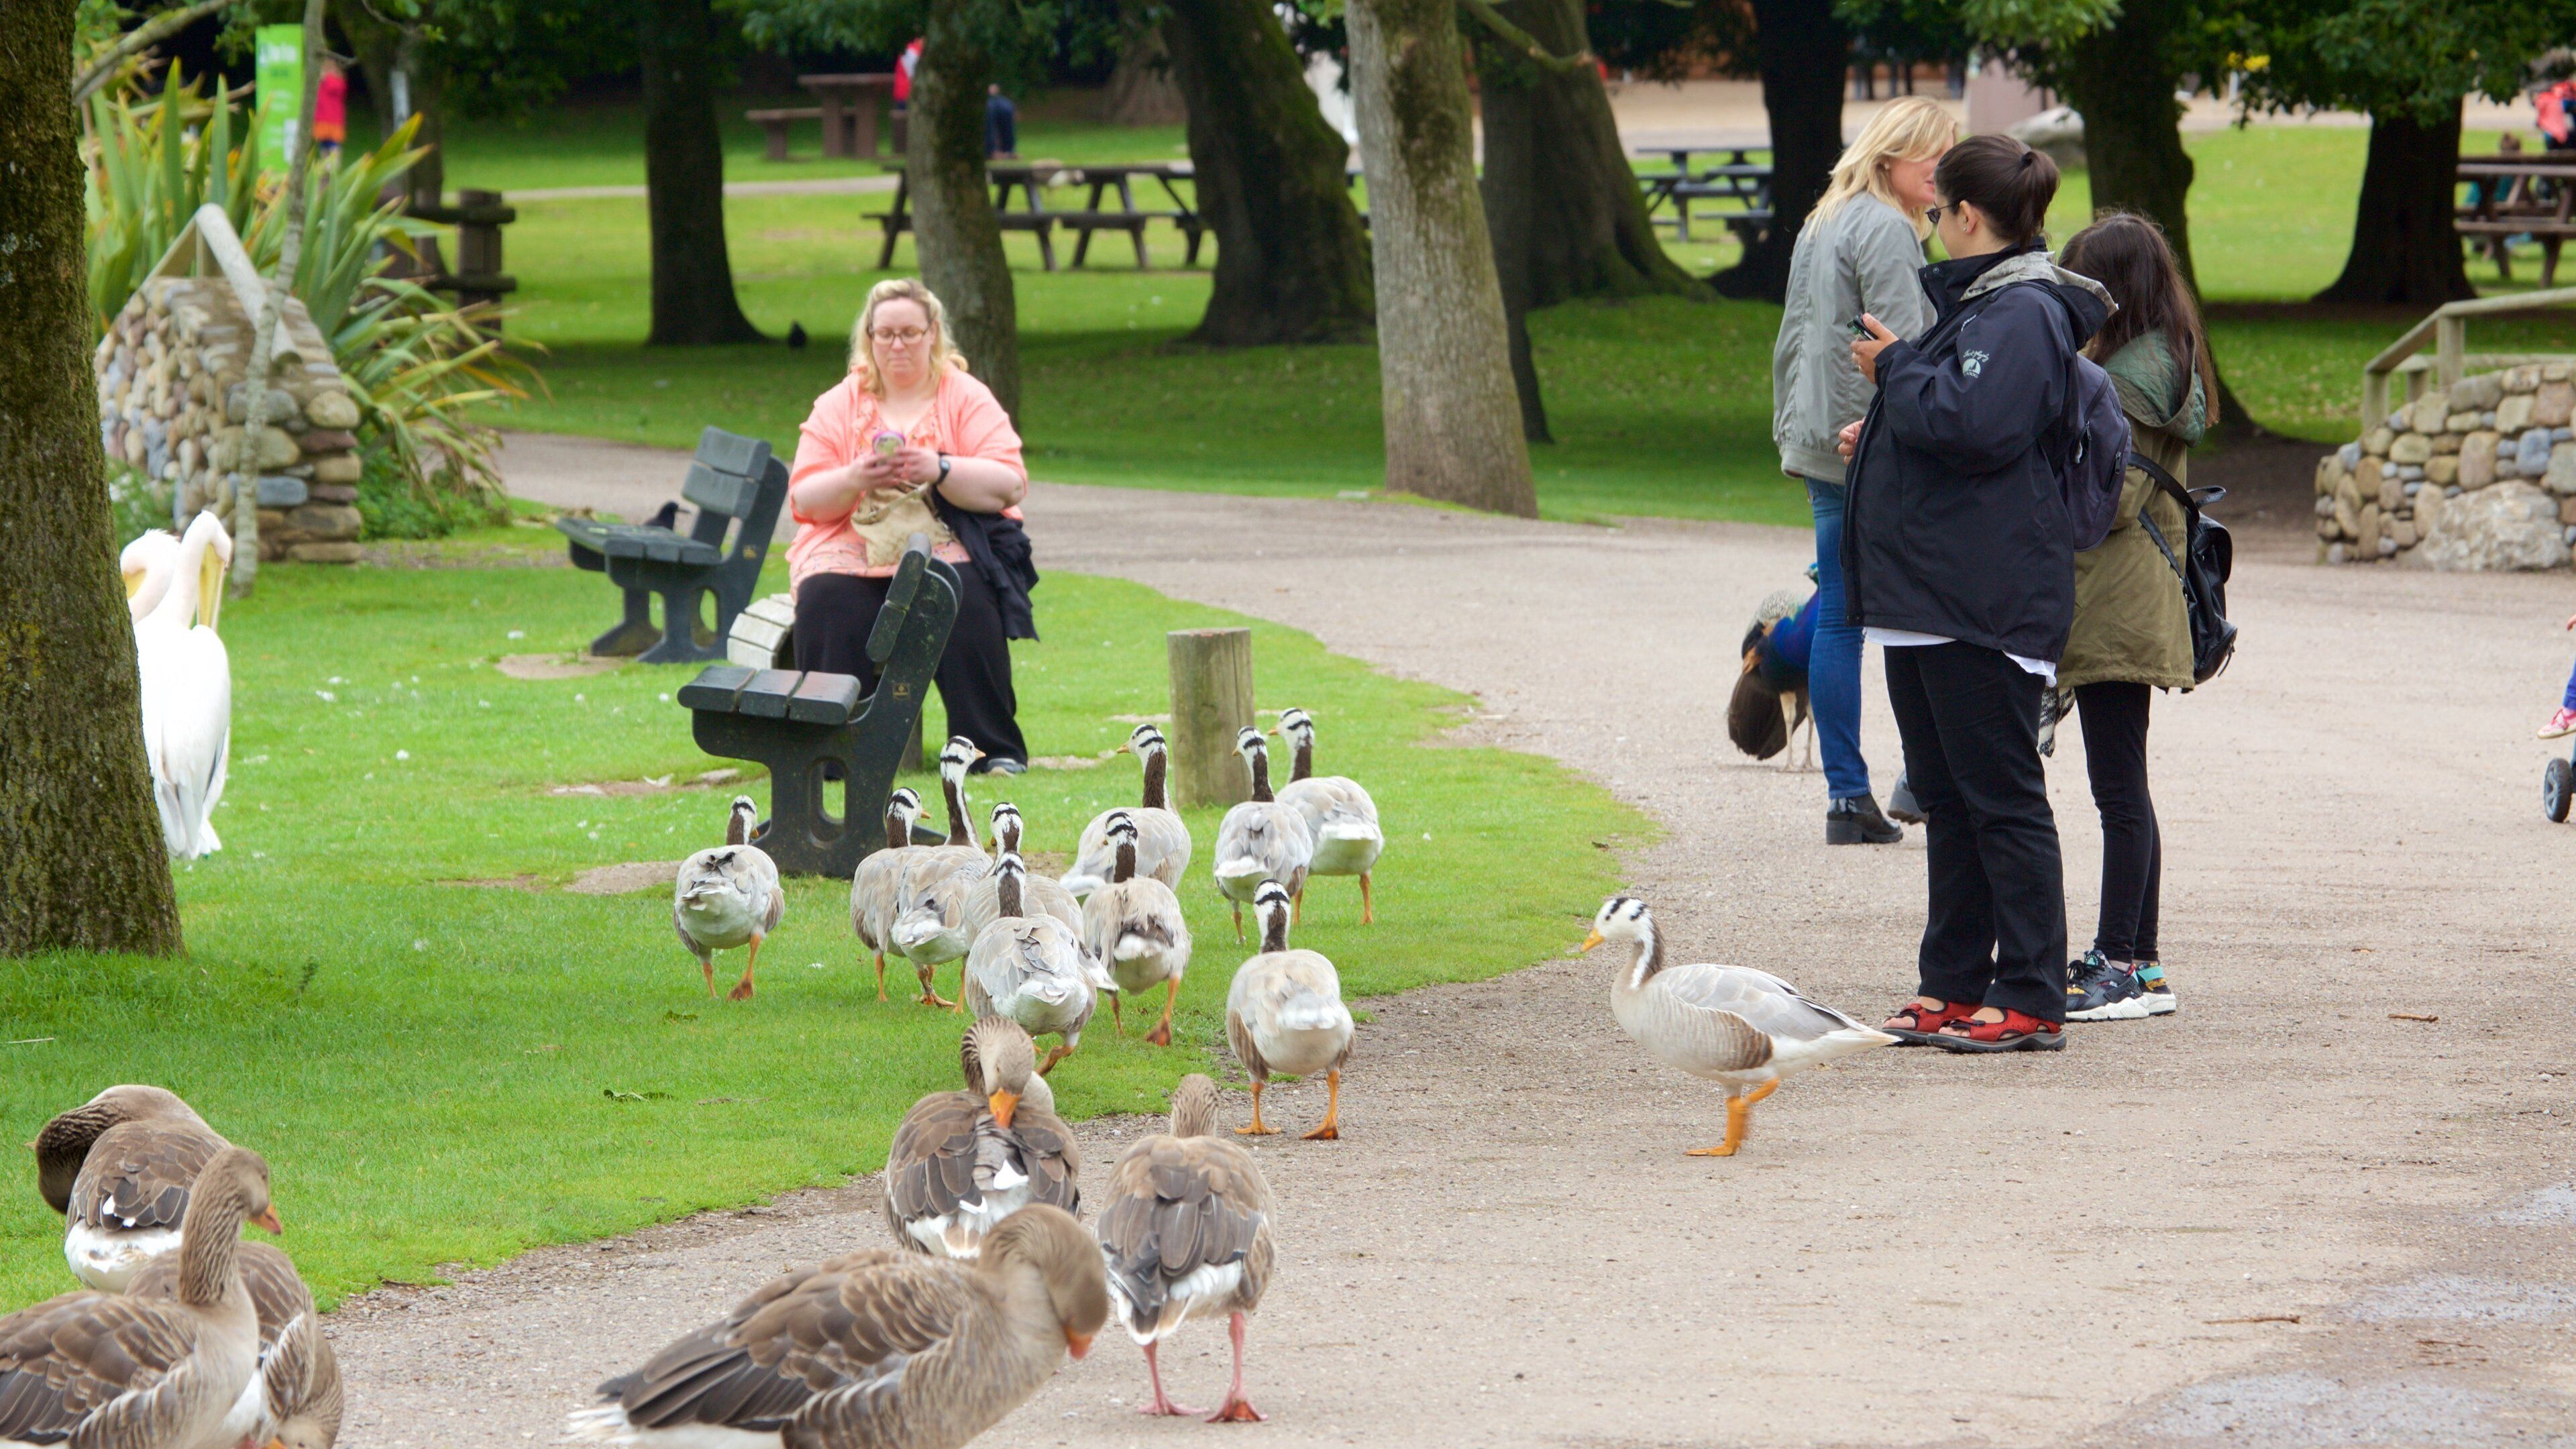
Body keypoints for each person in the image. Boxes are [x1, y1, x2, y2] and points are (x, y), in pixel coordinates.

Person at [1841, 133, 2111, 1053]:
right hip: (1928, 602)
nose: (1928, 225)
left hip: (1982, 603)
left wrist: (1896, 376)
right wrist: (1883, 421)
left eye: (1935, 210)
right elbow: (1956, 422)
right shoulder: (1982, 308)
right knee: (1949, 801)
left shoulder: (2023, 309)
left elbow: (1979, 424)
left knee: (2000, 799)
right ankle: (1951, 983)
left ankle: (2031, 994)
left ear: (1966, 215)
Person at [1770, 95, 1957, 847]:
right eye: (1933, 159)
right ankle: (1910, 780)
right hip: (1867, 443)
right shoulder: (1883, 226)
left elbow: (1797, 336)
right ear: (1892, 160)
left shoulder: (1826, 218)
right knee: (1914, 609)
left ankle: (1852, 795)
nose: (1945, 174)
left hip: (1821, 435)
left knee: (1843, 609)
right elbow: (1903, 349)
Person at [2051, 213, 2212, 1022]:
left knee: (2117, 789)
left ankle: (2117, 959)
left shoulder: (2126, 381)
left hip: (2118, 600)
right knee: (2128, 787)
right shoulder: (2167, 358)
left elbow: (2111, 502)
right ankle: (2141, 962)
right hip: (2137, 594)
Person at [788, 277, 1036, 773]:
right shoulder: (841, 402)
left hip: (941, 540)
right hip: (852, 541)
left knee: (960, 592)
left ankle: (988, 751)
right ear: (869, 338)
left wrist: (939, 468)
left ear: (932, 334)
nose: (897, 345)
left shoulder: (965, 395)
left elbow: (1009, 483)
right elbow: (804, 498)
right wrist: (855, 476)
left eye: (909, 333)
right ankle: (831, 755)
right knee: (826, 598)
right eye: (885, 335)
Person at [312, 56, 347, 161]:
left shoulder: (338, 81)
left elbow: (335, 88)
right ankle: (325, 171)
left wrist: (326, 78)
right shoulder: (321, 82)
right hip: (321, 119)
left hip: (333, 121)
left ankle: (333, 169)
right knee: (323, 146)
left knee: (334, 146)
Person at [984, 85, 1018, 160]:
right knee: (989, 109)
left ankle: (1008, 150)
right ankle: (991, 151)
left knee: (1007, 108)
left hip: (992, 96)